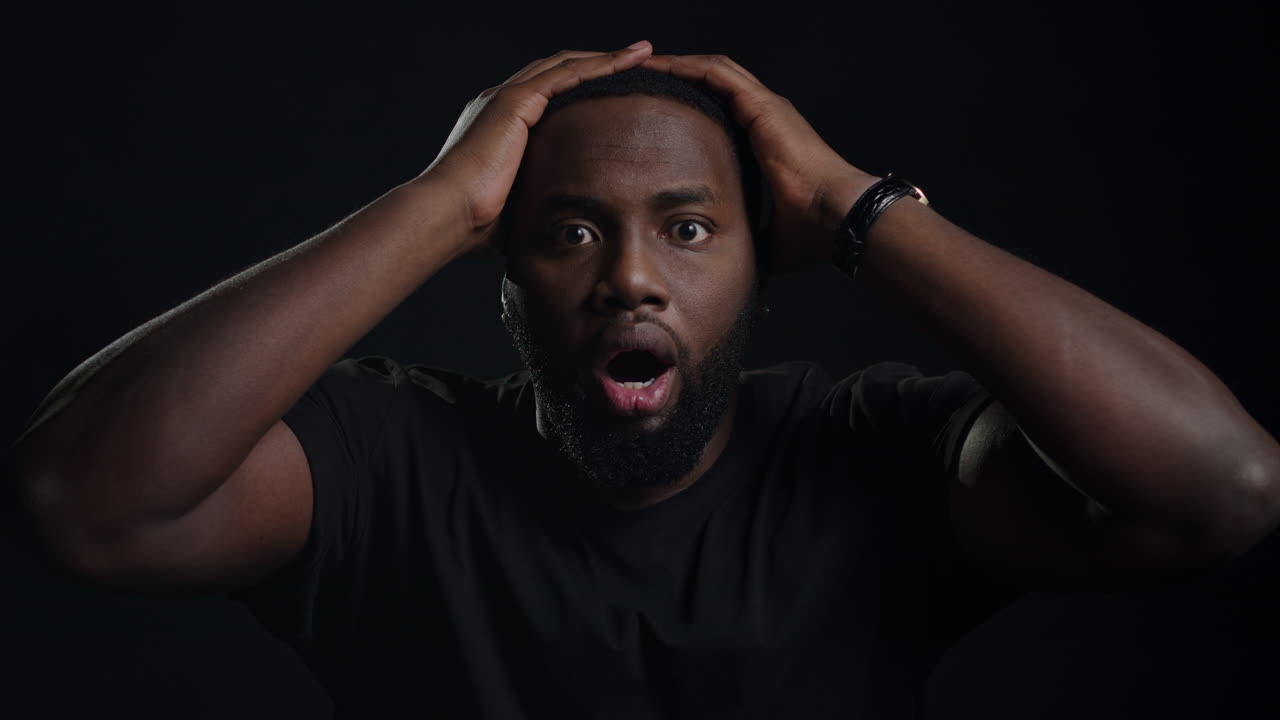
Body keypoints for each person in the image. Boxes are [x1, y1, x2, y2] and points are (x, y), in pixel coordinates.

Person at [5, 42, 1278, 718]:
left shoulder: (871, 456)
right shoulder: (381, 464)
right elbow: (85, 502)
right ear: (499, 274)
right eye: (566, 233)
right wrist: (440, 199)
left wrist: (854, 206)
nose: (629, 279)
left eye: (688, 227)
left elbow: (1214, 489)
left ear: (762, 263)